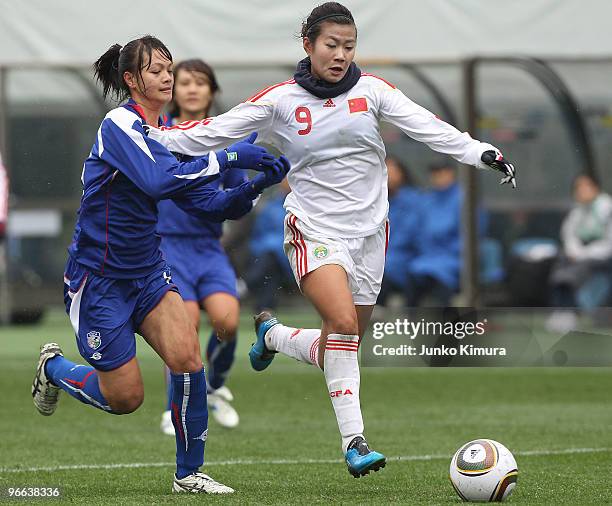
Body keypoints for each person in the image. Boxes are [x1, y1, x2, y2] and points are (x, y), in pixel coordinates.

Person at [146, 2, 516, 478]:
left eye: (349, 46)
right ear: (308, 45)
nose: (341, 54)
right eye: (331, 45)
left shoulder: (374, 90)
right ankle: (355, 442)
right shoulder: (279, 100)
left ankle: (275, 336)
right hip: (313, 229)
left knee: (343, 343)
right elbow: (213, 133)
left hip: (370, 234)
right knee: (341, 323)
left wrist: (480, 150)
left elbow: (429, 128)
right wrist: (144, 138)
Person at [30, 35, 290, 494]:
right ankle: (53, 368)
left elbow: (213, 206)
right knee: (126, 398)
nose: (167, 76)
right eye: (156, 70)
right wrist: (228, 155)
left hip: (148, 271)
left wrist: (253, 185)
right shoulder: (118, 124)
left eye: (169, 68)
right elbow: (156, 180)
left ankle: (188, 474)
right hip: (99, 281)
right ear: (132, 80)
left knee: (189, 359)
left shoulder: (172, 136)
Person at [157, 59, 244, 434]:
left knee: (227, 320)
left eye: (201, 82)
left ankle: (215, 386)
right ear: (172, 91)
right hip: (166, 247)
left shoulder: (226, 134)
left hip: (209, 248)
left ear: (212, 90)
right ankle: (173, 407)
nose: (192, 89)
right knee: (184, 325)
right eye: (184, 82)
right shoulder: (158, 133)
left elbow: (240, 190)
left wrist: (244, 195)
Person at [405, 161, 486, 306]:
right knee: (414, 273)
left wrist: (449, 250)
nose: (439, 177)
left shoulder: (465, 199)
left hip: (456, 258)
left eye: (443, 172)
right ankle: (410, 322)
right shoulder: (426, 200)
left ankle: (451, 323)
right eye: (435, 173)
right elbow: (417, 232)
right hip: (427, 257)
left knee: (436, 276)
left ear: (452, 174)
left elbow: (472, 235)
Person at [547, 173, 612, 331]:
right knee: (561, 262)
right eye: (578, 187)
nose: (581, 191)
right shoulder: (577, 210)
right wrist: (575, 252)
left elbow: (608, 243)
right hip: (580, 256)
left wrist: (583, 255)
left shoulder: (607, 208)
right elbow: (569, 234)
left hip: (602, 257)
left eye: (585, 186)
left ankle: (571, 312)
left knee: (573, 273)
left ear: (595, 188)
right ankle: (562, 311)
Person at [377, 156, 422, 307]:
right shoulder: (372, 200)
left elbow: (413, 235)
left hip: (405, 256)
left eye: (392, 171)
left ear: (402, 174)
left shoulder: (414, 200)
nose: (388, 175)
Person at [244, 178, 294, 312]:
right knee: (271, 268)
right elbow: (258, 234)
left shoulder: (304, 208)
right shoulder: (270, 207)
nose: (286, 183)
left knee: (271, 260)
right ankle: (265, 310)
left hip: (292, 256)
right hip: (268, 256)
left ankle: (245, 285)